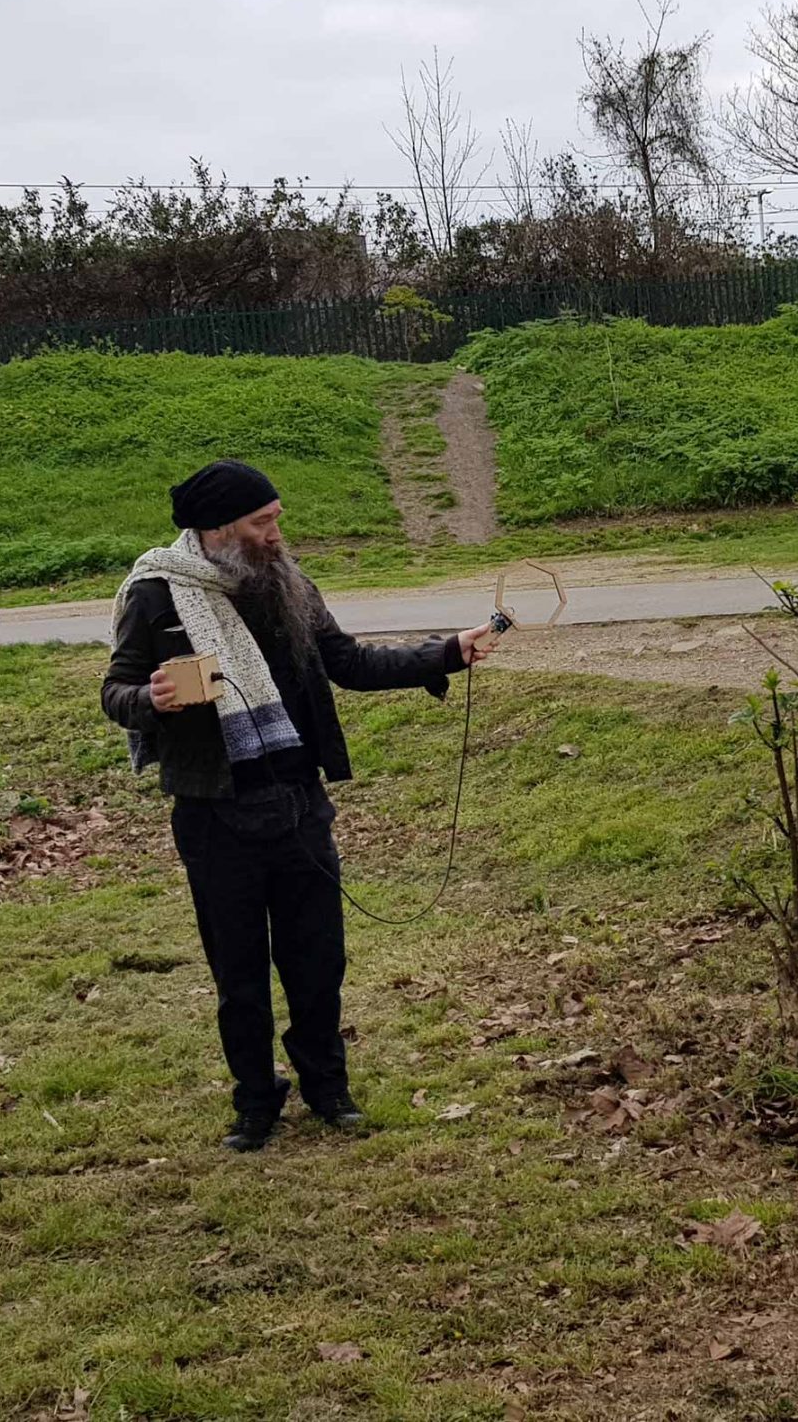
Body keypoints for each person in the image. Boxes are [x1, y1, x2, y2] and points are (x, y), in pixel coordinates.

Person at [101, 459, 502, 1151]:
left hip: (297, 806)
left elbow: (347, 662)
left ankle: (327, 1088)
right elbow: (117, 692)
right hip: (214, 814)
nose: (277, 531)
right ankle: (256, 1103)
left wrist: (444, 653)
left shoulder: (290, 583)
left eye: (277, 516)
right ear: (218, 528)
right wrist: (152, 702)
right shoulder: (156, 596)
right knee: (240, 975)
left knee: (318, 960)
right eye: (263, 522)